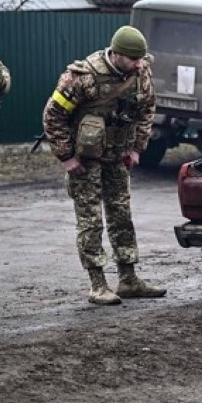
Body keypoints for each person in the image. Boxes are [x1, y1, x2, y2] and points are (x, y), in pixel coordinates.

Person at [42, 25, 166, 305]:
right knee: (90, 220)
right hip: (85, 160)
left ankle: (128, 279)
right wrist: (66, 157)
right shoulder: (82, 77)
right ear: (117, 54)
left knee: (122, 215)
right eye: (133, 59)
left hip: (119, 155)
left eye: (140, 59)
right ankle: (97, 284)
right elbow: (53, 116)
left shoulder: (140, 71)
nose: (138, 64)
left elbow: (147, 108)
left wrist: (137, 148)